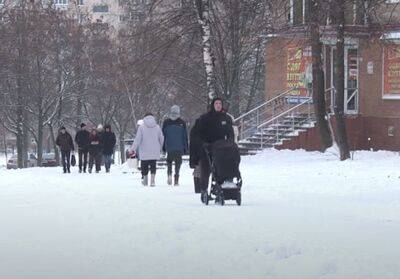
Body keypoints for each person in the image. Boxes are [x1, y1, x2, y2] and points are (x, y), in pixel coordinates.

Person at [198, 97, 234, 199]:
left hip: (222, 147)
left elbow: (230, 133)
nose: (218, 105)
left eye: (220, 104)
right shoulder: (205, 118)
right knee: (206, 169)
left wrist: (230, 142)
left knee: (223, 166)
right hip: (208, 146)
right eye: (216, 103)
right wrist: (203, 142)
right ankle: (204, 190)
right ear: (213, 105)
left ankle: (222, 186)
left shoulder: (226, 118)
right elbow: (200, 132)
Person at [130, 113, 164, 186]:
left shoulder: (141, 128)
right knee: (153, 165)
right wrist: (161, 147)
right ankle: (152, 181)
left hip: (144, 151)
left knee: (144, 165)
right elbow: (161, 138)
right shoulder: (157, 127)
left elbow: (137, 139)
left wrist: (133, 149)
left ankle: (145, 180)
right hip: (154, 150)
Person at [162, 105, 188, 186]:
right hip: (179, 147)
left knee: (169, 161)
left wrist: (163, 147)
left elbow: (163, 136)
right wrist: (185, 147)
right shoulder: (182, 123)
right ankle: (176, 178)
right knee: (178, 163)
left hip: (169, 146)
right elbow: (185, 136)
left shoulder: (166, 122)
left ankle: (169, 174)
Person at [189, 118, 204, 193]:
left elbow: (191, 144)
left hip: (195, 153)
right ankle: (202, 187)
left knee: (197, 170)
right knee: (202, 170)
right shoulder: (204, 130)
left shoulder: (193, 130)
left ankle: (197, 188)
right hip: (203, 152)